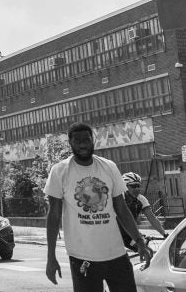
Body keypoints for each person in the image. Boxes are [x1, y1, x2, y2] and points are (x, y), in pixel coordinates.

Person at [45, 124, 151, 290]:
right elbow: (54, 216)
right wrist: (51, 257)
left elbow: (121, 209)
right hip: (82, 257)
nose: (82, 144)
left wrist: (140, 242)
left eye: (86, 139)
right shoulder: (60, 171)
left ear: (92, 140)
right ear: (70, 143)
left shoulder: (109, 167)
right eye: (77, 140)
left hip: (116, 254)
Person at [119, 172, 168, 248]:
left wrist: (164, 234)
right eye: (133, 186)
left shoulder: (141, 199)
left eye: (138, 185)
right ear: (125, 187)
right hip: (117, 232)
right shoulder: (120, 198)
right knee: (141, 248)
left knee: (146, 249)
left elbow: (152, 218)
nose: (137, 189)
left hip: (131, 231)